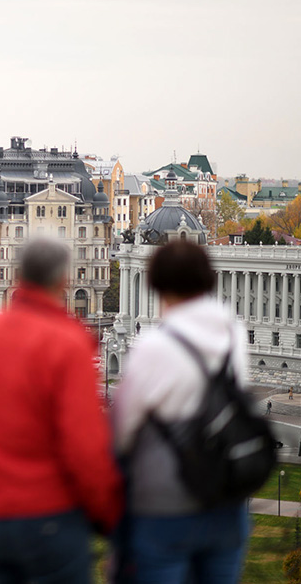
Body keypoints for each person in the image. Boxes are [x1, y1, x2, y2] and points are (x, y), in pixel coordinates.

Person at [0, 238, 122, 583]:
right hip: (52, 523)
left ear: (16, 275)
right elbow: (85, 447)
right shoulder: (68, 343)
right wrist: (106, 516)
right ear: (63, 281)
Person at [114, 240, 250, 583]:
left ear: (159, 286)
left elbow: (123, 431)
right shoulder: (234, 335)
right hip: (225, 503)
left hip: (166, 506)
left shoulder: (153, 346)